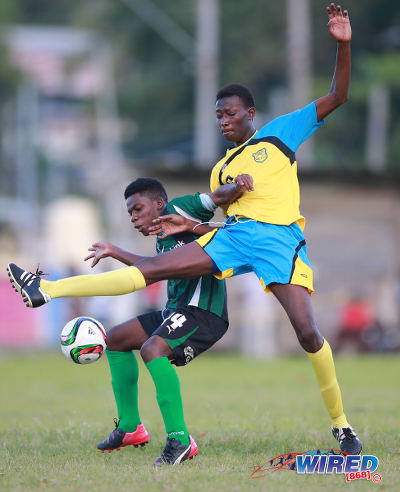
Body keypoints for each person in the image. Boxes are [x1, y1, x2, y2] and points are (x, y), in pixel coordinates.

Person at [7, 4, 362, 454]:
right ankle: (47, 290)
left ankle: (343, 427)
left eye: (229, 112)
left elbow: (339, 95)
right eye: (217, 115)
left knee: (308, 333)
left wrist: (343, 45)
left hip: (280, 240)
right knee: (155, 268)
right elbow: (222, 216)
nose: (223, 120)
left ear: (250, 112)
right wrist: (193, 225)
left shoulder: (280, 134)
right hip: (233, 238)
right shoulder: (219, 171)